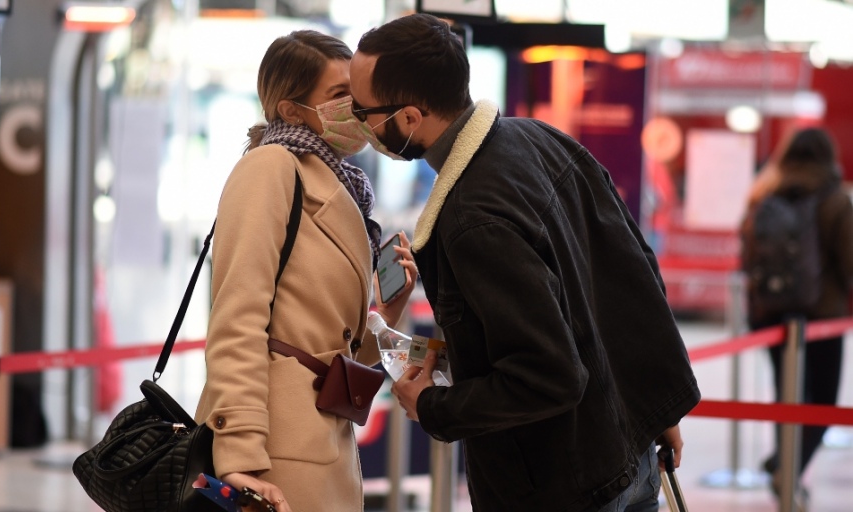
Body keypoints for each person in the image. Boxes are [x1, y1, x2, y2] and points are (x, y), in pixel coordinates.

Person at [348, 13, 701, 512]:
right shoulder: (538, 138)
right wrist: (657, 404)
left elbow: (548, 375)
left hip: (565, 483)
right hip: (631, 448)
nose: (359, 123)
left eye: (364, 112)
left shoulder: (471, 217)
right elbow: (634, 272)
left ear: (408, 118)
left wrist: (432, 406)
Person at [193, 30, 416, 512]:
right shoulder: (271, 168)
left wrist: (388, 311)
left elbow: (335, 342)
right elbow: (237, 319)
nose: (354, 110)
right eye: (339, 96)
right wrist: (239, 453)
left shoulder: (341, 183)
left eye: (356, 98)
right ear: (292, 109)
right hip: (274, 446)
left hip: (323, 437)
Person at [741, 127, 853, 501]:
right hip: (820, 318)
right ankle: (788, 468)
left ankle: (788, 467)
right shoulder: (835, 200)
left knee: (787, 396)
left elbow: (746, 258)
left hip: (770, 316)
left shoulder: (763, 195)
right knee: (822, 403)